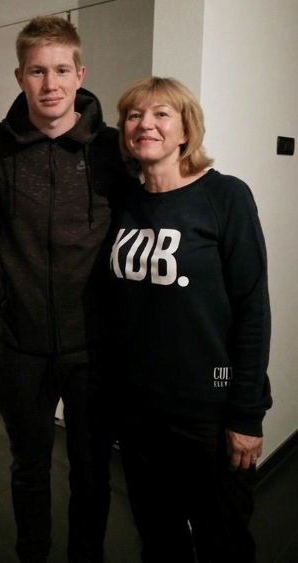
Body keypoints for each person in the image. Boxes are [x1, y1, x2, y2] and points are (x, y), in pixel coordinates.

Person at [0, 15, 131, 563]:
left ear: (80, 72)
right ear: (19, 76)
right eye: (37, 71)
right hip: (20, 343)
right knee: (27, 469)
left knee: (91, 474)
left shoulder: (113, 149)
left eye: (61, 69)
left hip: (96, 347)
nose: (50, 84)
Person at [110, 76, 272, 562]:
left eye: (161, 114)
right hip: (141, 413)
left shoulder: (226, 197)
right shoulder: (126, 203)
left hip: (208, 410)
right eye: (135, 116)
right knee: (159, 539)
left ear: (186, 130)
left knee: (223, 541)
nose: (145, 124)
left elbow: (252, 310)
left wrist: (246, 413)